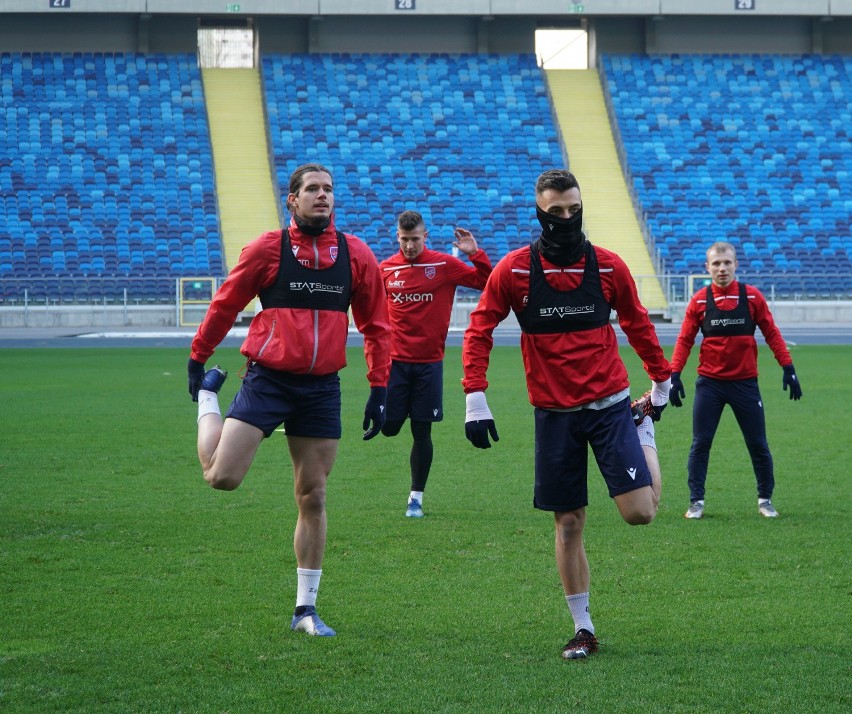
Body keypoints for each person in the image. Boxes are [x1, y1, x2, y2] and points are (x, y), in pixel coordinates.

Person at [461, 169, 671, 660]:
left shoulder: (609, 266)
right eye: (555, 211)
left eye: (573, 209)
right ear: (539, 211)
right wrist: (476, 398)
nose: (566, 217)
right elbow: (479, 329)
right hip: (553, 415)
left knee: (639, 514)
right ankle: (584, 629)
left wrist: (661, 380)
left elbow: (638, 324)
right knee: (569, 522)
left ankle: (644, 431)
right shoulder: (513, 271)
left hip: (610, 406)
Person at [186, 163, 391, 637]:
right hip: (269, 380)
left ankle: (305, 610)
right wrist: (199, 356)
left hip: (321, 388)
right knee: (222, 477)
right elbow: (226, 304)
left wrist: (380, 387)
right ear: (292, 200)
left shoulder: (356, 255)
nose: (323, 196)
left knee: (313, 495)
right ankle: (207, 401)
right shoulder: (267, 249)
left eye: (329, 190)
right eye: (312, 190)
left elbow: (377, 326)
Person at [669, 241, 802, 520]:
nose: (722, 268)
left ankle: (765, 500)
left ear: (735, 265)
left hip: (745, 384)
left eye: (727, 262)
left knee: (758, 444)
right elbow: (684, 340)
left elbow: (772, 334)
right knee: (700, 444)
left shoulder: (752, 298)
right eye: (716, 264)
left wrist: (788, 367)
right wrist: (675, 374)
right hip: (710, 385)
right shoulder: (700, 301)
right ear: (707, 268)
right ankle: (696, 502)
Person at [378, 210, 493, 517]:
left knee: (422, 432)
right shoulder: (386, 269)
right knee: (388, 428)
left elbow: (485, 282)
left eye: (415, 239)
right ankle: (393, 415)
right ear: (397, 237)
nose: (409, 246)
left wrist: (475, 254)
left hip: (430, 365)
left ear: (425, 237)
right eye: (404, 240)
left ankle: (415, 498)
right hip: (395, 365)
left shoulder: (443, 265)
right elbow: (369, 305)